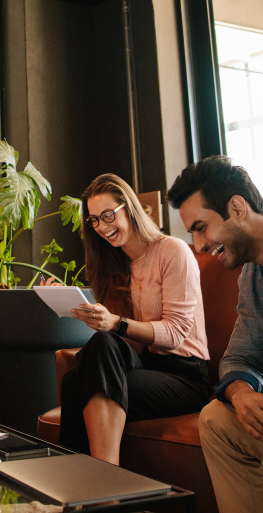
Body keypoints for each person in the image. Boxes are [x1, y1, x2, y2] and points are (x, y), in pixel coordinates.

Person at [54, 173, 210, 465]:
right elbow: (123, 344)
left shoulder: (172, 251)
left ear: (130, 207)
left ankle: (104, 482)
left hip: (185, 377)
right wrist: (84, 310)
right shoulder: (112, 265)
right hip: (144, 366)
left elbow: (175, 333)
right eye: (94, 220)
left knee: (84, 376)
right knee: (86, 366)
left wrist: (115, 323)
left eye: (108, 215)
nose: (101, 226)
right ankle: (79, 489)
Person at [167, 155, 263, 513]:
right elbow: (240, 356)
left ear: (236, 207)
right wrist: (241, 393)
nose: (198, 245)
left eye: (201, 226)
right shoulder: (253, 277)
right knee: (216, 419)